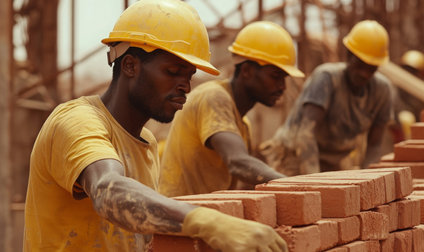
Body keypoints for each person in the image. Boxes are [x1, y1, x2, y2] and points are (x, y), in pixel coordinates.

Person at [23, 1, 287, 251]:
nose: (185, 86)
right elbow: (107, 190)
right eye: (173, 72)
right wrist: (208, 222)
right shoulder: (76, 121)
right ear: (130, 66)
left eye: (189, 76)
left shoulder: (146, 143)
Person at [158, 21, 304, 197]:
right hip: (180, 214)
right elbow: (238, 162)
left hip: (210, 214)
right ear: (247, 70)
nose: (282, 86)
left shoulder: (242, 124)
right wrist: (294, 187)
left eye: (284, 78)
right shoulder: (214, 96)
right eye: (275, 76)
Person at [260, 20, 393, 175]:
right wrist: (317, 182)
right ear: (349, 55)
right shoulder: (327, 78)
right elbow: (306, 134)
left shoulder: (382, 91)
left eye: (371, 68)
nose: (364, 73)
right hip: (293, 155)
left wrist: (369, 180)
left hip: (332, 162)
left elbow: (374, 146)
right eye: (360, 65)